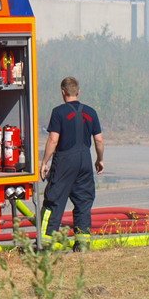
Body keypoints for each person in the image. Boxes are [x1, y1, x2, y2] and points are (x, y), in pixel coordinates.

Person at [39, 76, 105, 250]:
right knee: (83, 201)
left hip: (64, 161)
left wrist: (44, 162)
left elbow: (53, 139)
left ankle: (46, 244)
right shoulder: (91, 112)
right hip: (84, 160)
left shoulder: (58, 112)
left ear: (63, 92)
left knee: (53, 200)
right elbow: (99, 140)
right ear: (78, 92)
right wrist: (99, 160)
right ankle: (82, 244)